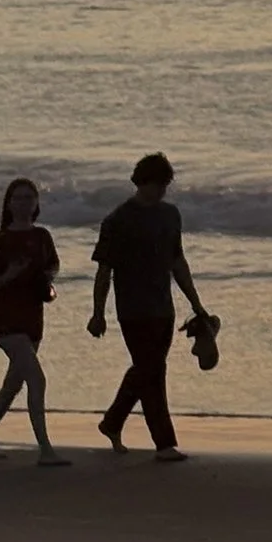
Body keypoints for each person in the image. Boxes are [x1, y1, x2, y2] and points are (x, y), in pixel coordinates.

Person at [89, 152, 212, 463]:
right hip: (132, 309)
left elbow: (177, 262)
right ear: (140, 182)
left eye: (165, 185)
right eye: (156, 184)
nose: (161, 191)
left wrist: (196, 304)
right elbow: (104, 271)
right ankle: (164, 444)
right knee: (152, 370)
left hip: (163, 307)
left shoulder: (171, 216)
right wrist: (98, 313)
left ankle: (112, 422)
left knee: (148, 369)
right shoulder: (118, 221)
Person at [0, 177, 68, 465]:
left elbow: (53, 265)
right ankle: (46, 450)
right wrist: (10, 275)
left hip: (33, 315)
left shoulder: (42, 236)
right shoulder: (0, 241)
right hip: (6, 317)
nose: (24, 203)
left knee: (14, 383)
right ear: (9, 203)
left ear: (37, 203)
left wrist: (47, 278)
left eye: (29, 197)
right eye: (18, 198)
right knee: (36, 379)